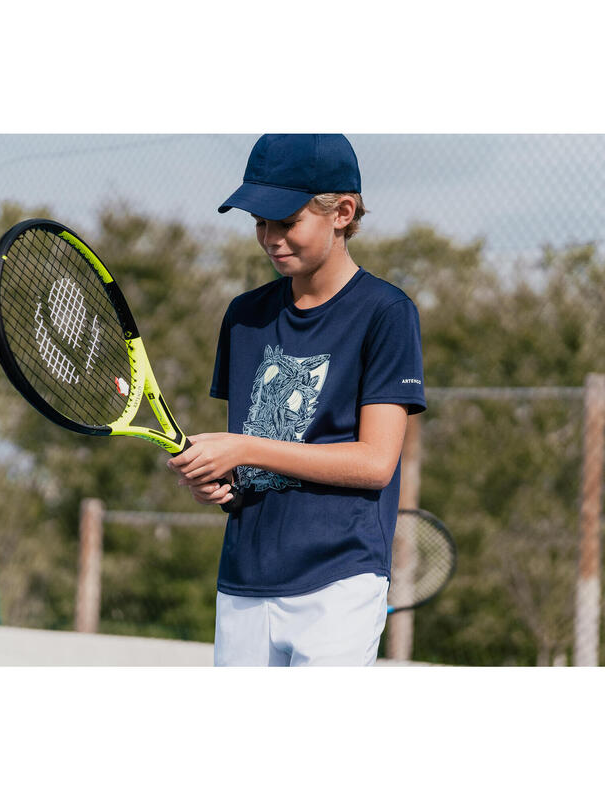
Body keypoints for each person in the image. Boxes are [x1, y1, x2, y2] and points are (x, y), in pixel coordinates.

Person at [167, 134, 426, 666]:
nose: (269, 238)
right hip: (243, 580)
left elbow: (376, 463)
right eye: (258, 222)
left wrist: (242, 449)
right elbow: (255, 470)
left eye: (286, 221)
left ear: (342, 212)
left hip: (339, 583)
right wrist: (219, 483)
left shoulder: (386, 313)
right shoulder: (244, 316)